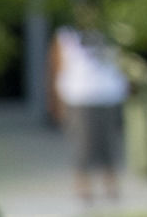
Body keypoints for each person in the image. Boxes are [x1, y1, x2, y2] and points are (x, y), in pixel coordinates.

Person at [49, 13, 130, 204]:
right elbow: (57, 66)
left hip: (108, 96)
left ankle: (110, 183)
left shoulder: (115, 31)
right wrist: (56, 101)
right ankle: (83, 185)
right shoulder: (67, 35)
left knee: (108, 142)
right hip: (80, 97)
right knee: (82, 143)